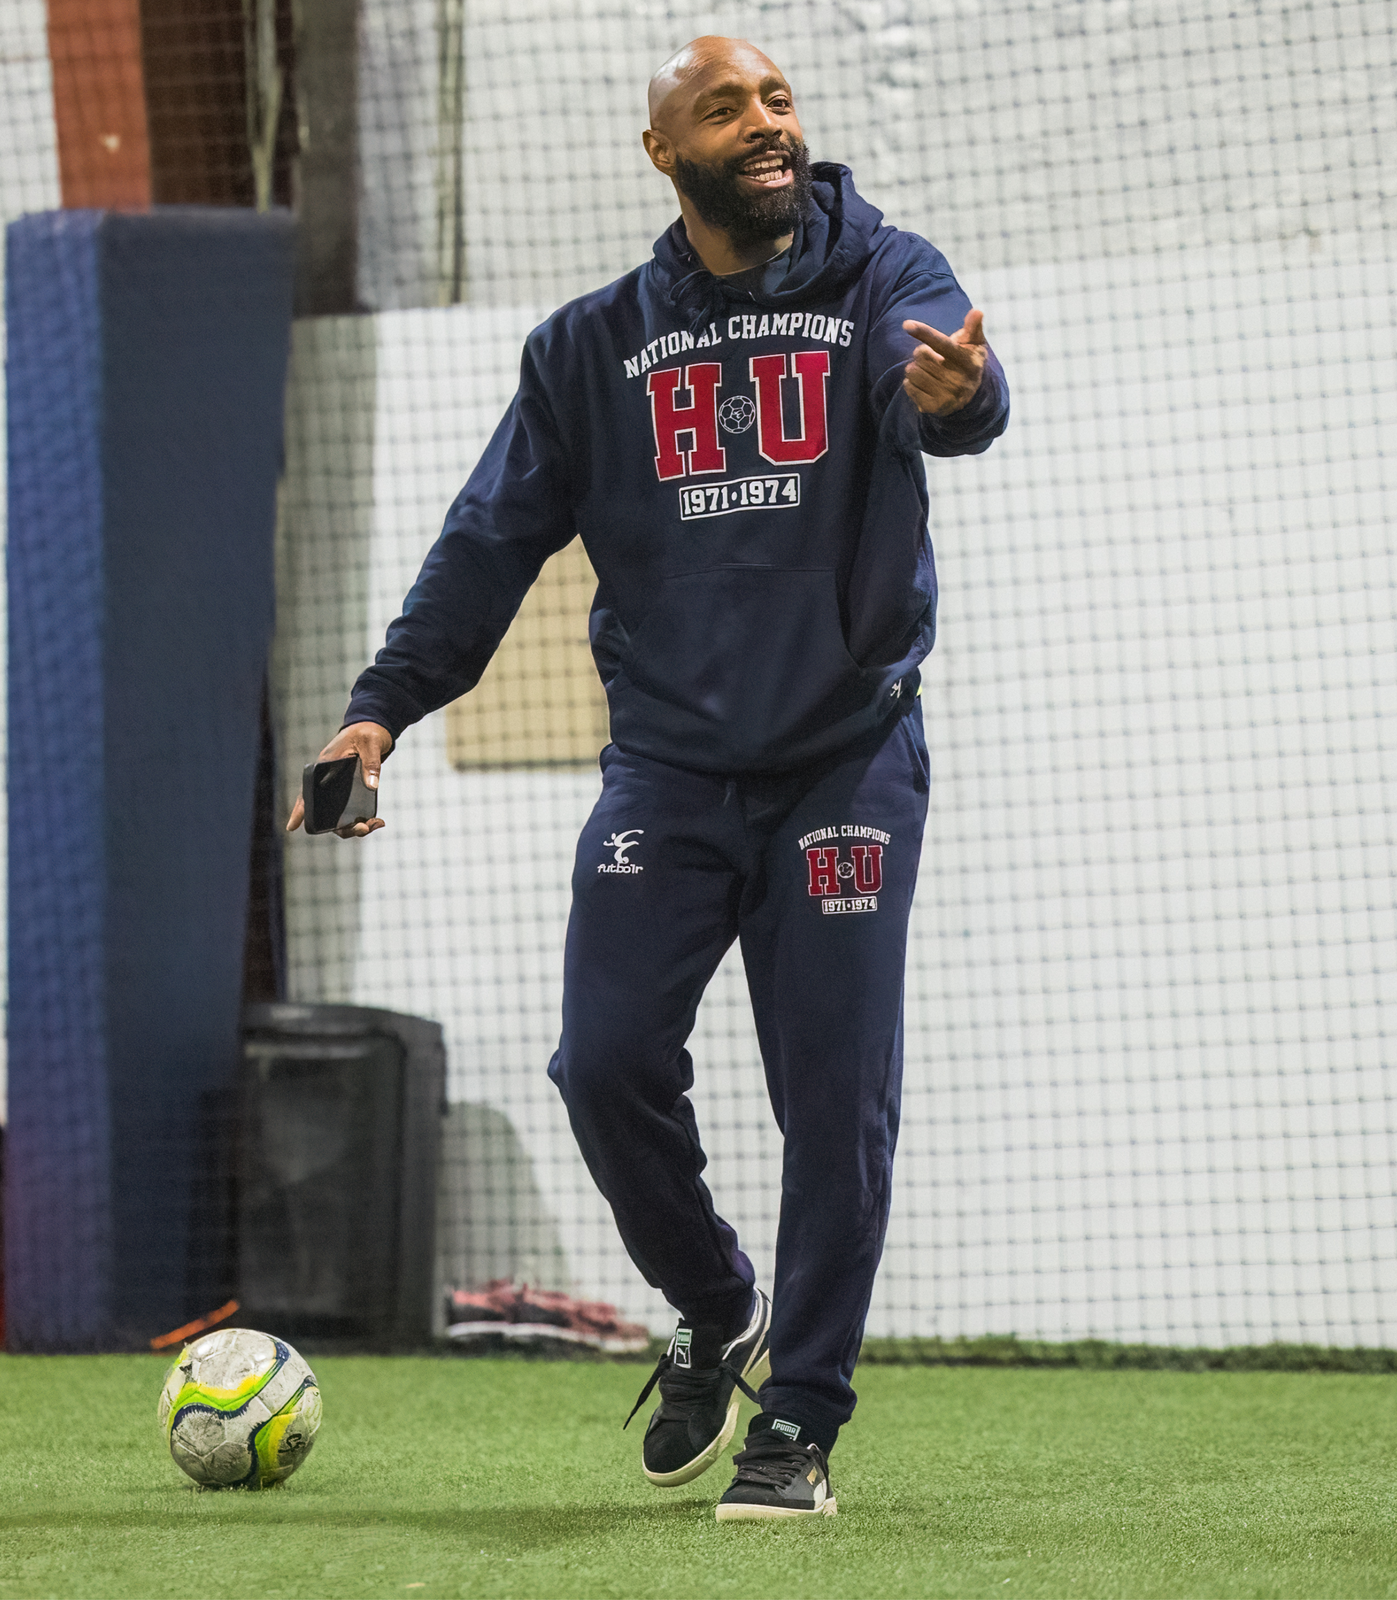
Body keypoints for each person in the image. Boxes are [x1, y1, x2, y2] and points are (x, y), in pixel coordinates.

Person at [288, 35, 1008, 1521]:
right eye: (728, 107)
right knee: (601, 1063)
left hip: (844, 765)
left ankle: (797, 1418)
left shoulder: (884, 274)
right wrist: (379, 713)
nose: (768, 124)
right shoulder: (586, 348)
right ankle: (712, 1295)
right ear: (662, 149)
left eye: (780, 99)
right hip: (668, 774)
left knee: (836, 1100)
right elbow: (487, 543)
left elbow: (945, 387)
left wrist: (959, 400)